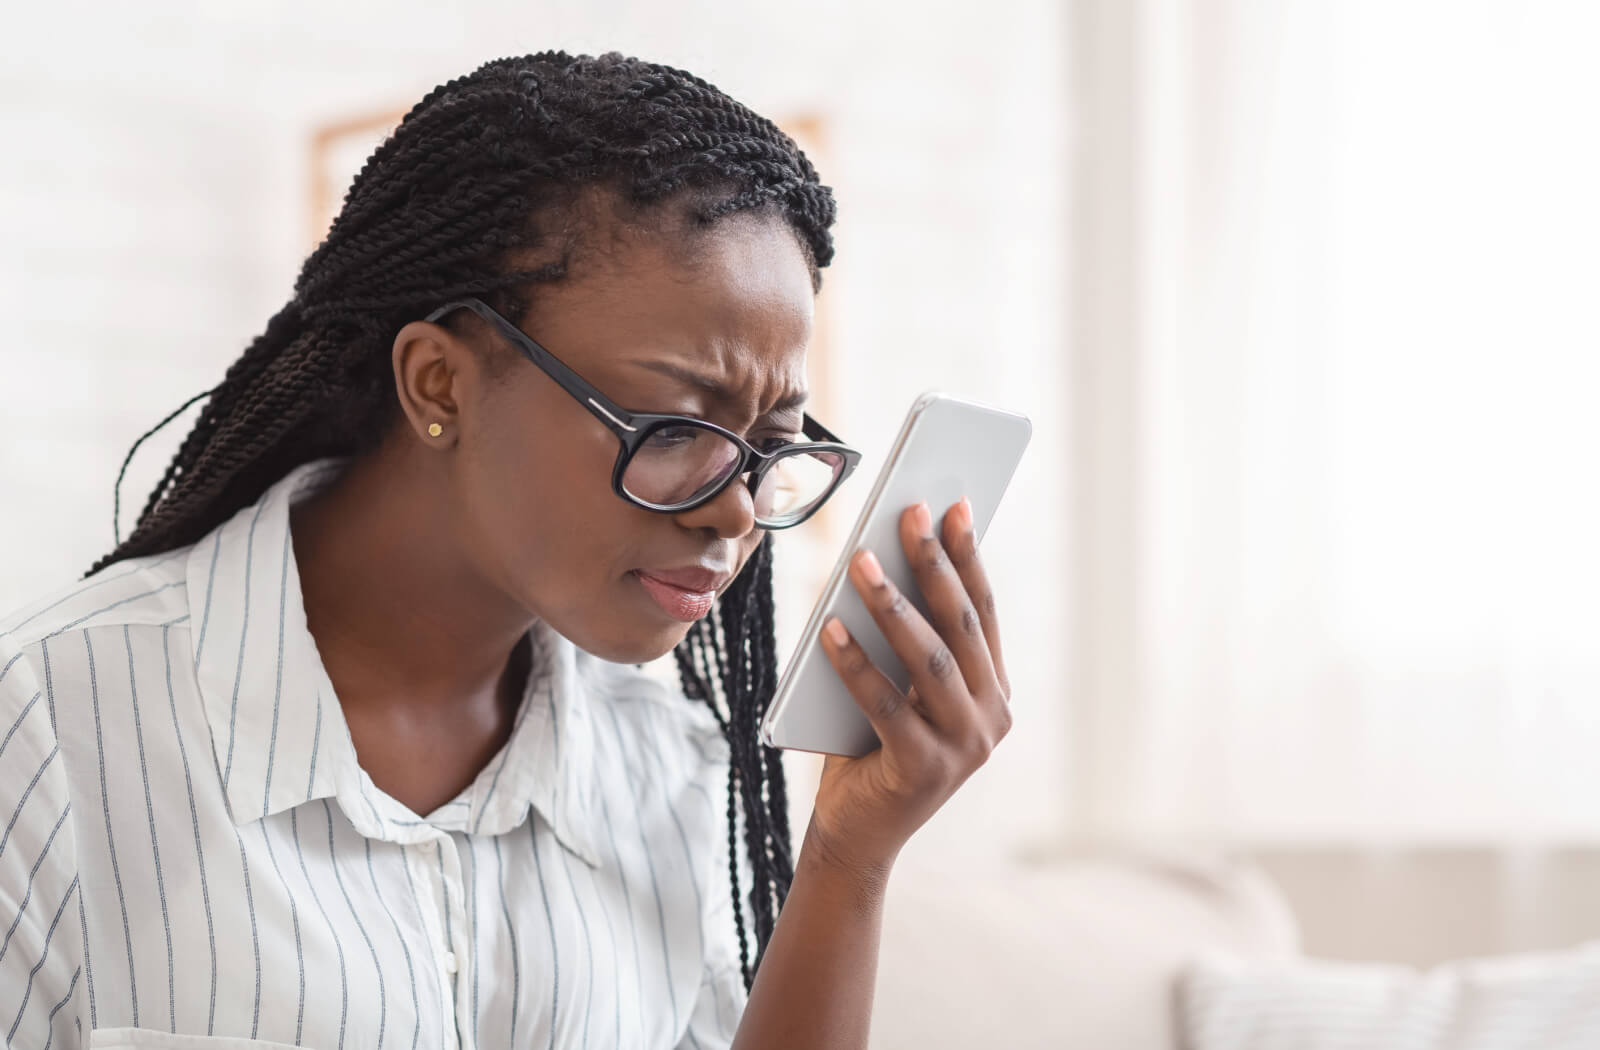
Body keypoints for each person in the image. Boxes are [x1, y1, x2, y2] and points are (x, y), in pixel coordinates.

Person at [0, 51, 1012, 1049]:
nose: (735, 515)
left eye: (769, 449)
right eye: (672, 427)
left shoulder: (667, 769)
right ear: (440, 384)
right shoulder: (52, 730)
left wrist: (849, 857)